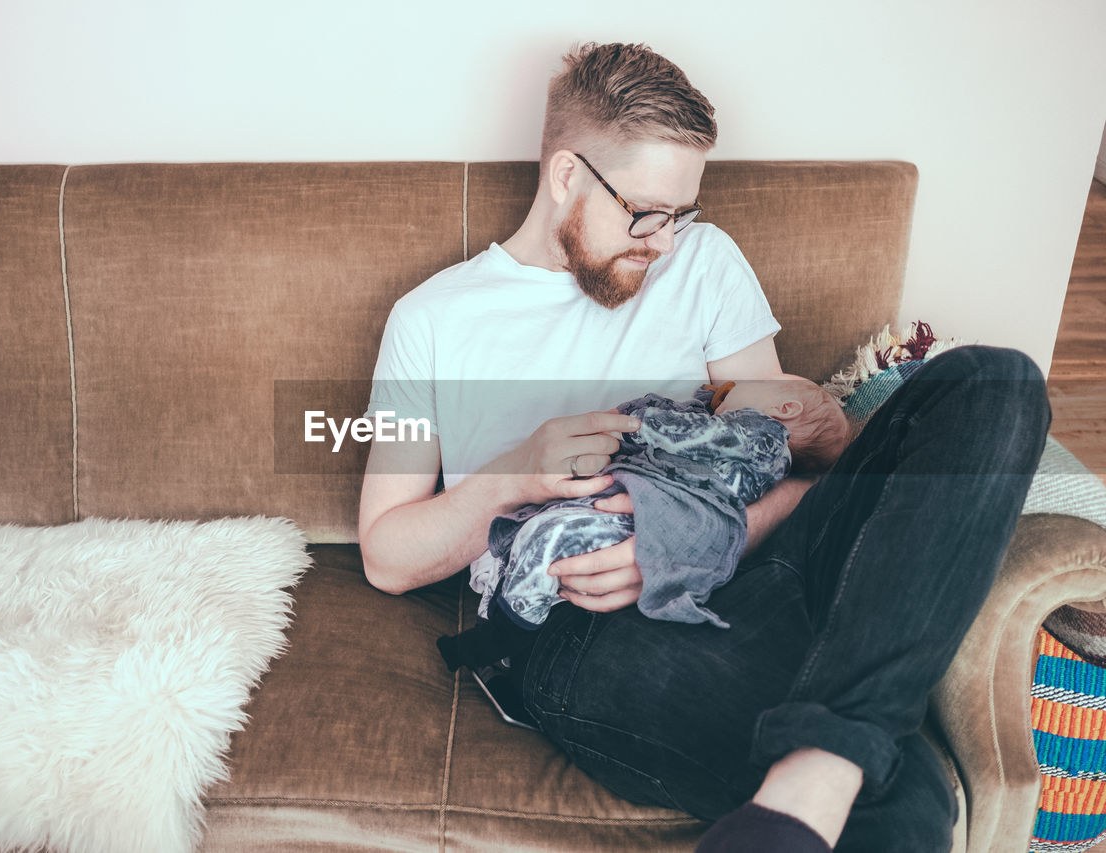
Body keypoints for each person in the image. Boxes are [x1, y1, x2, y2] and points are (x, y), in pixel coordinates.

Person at [358, 41, 1049, 853]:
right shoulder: (435, 321)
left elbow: (788, 473)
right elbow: (386, 553)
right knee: (903, 794)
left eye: (682, 215)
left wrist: (769, 486)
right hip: (594, 630)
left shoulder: (708, 264)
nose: (666, 244)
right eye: (646, 214)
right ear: (567, 177)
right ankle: (841, 749)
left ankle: (827, 752)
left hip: (764, 567)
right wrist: (512, 475)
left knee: (992, 381)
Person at [449, 378, 847, 643]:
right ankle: (505, 623)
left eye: (758, 384)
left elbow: (690, 434)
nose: (731, 390)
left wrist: (634, 423)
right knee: (544, 539)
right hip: (637, 523)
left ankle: (502, 635)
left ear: (787, 408)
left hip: (649, 521)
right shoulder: (755, 444)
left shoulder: (764, 434)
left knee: (547, 539)